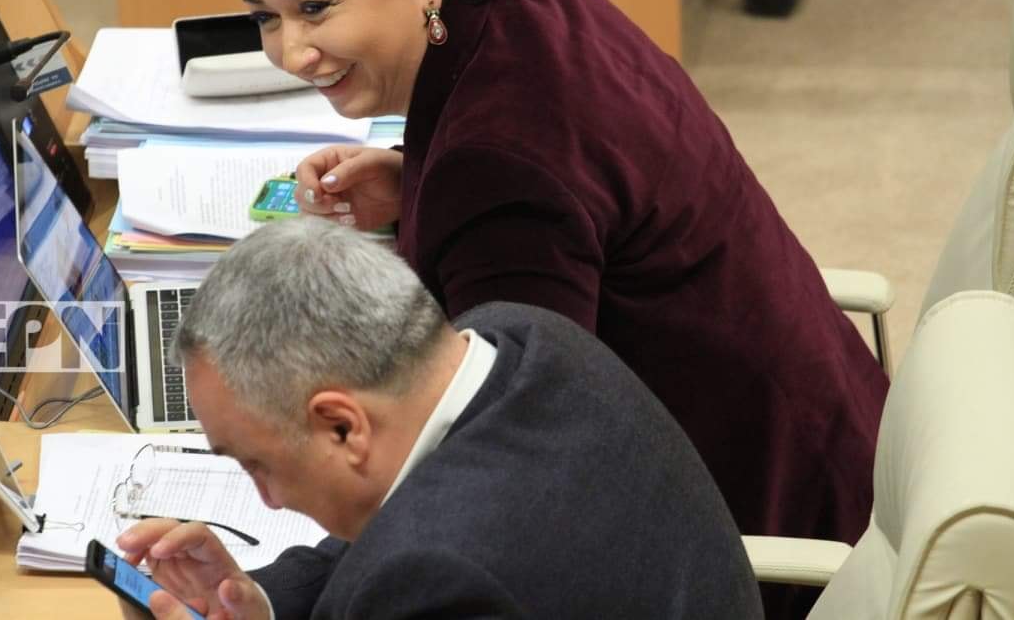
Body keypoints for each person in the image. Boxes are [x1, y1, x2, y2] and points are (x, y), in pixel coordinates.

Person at [204, 0, 887, 613]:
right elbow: (569, 171)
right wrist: (419, 177)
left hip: (763, 542)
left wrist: (282, 595)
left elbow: (498, 462)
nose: (292, 51)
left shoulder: (498, 168)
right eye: (266, 17)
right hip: (840, 446)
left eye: (315, 6)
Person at [116, 217, 762, 620]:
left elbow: (416, 554)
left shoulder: (430, 581)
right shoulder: (522, 336)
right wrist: (261, 603)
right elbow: (403, 515)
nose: (269, 499)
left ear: (343, 426)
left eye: (259, 463)